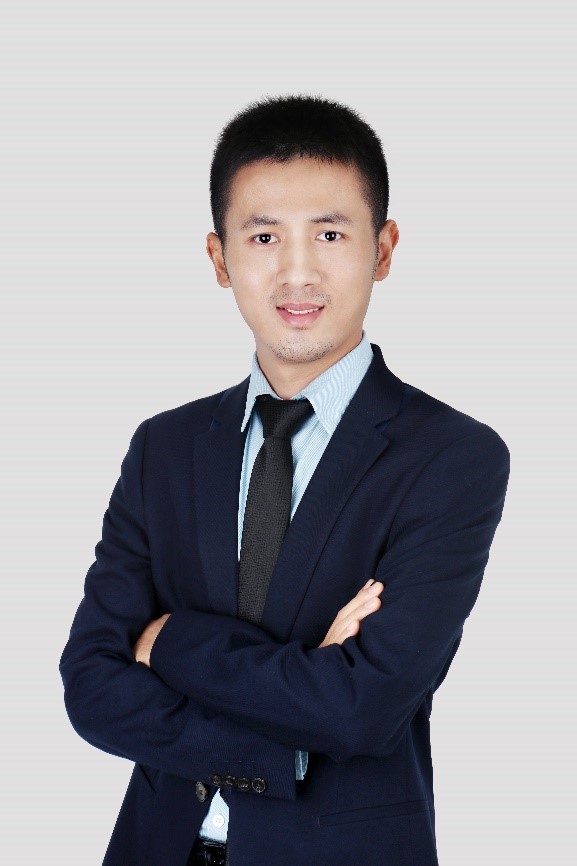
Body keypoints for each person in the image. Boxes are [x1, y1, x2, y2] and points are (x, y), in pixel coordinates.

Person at [60, 95, 510, 866]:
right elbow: (92, 687)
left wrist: (170, 642)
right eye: (263, 236)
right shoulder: (164, 447)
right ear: (219, 258)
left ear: (382, 249)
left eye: (330, 234)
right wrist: (288, 735)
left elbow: (361, 707)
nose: (297, 271)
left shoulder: (450, 456)